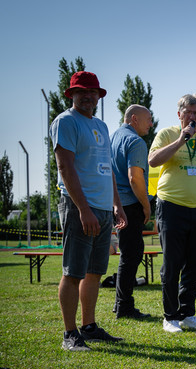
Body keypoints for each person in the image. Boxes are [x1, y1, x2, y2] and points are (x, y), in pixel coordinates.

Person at [51, 71, 127, 351]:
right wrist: (83, 209)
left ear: (99, 96)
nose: (87, 96)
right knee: (73, 272)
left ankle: (89, 326)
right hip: (79, 207)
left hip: (103, 208)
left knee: (95, 271)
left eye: (92, 92)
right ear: (71, 94)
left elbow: (108, 169)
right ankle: (69, 334)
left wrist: (116, 204)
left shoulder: (101, 125)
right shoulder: (65, 121)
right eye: (81, 91)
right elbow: (65, 167)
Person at [149, 94, 196, 333]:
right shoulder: (167, 134)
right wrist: (182, 140)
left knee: (194, 263)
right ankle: (169, 317)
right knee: (172, 263)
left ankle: (187, 314)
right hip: (171, 206)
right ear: (179, 114)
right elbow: (152, 161)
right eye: (189, 112)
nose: (193, 117)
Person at [111, 104, 152, 320]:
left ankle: (121, 303)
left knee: (128, 254)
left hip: (115, 203)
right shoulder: (136, 141)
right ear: (134, 119)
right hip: (131, 205)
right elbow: (134, 177)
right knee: (132, 255)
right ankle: (124, 306)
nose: (151, 123)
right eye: (149, 119)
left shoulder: (113, 137)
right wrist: (146, 205)